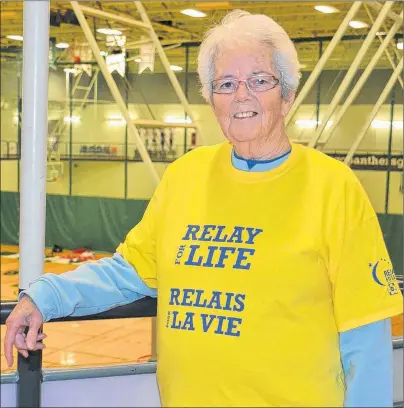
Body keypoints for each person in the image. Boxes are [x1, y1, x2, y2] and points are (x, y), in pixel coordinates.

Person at [5, 10, 403, 407]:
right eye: (226, 84)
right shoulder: (186, 176)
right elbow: (129, 271)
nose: (241, 95)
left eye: (260, 80)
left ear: (288, 94)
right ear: (212, 99)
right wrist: (45, 296)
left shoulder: (333, 188)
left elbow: (366, 338)